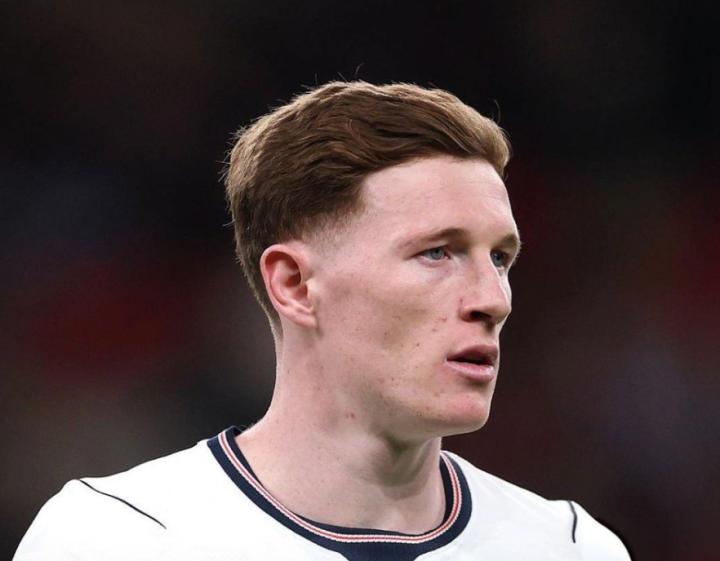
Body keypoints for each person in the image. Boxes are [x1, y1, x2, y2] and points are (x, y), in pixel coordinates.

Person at [14, 81, 631, 560]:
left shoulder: (569, 547)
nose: (493, 299)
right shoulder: (119, 538)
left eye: (500, 258)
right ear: (295, 285)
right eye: (437, 252)